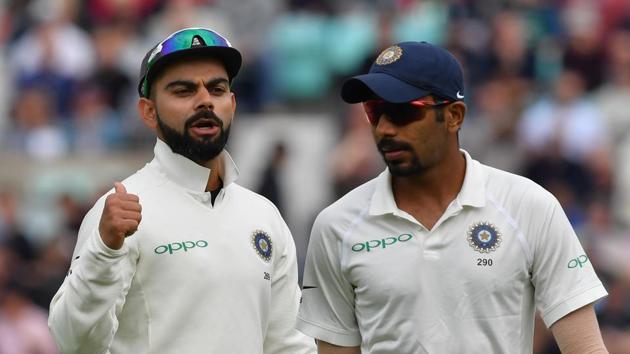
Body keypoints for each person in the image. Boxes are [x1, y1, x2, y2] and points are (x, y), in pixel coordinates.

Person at [296, 41, 609, 353]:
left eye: (402, 111)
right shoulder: (336, 226)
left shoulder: (529, 206)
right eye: (374, 112)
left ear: (454, 116)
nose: (385, 129)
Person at [48, 27, 316, 354]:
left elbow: (288, 345)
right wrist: (104, 249)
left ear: (231, 103)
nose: (205, 100)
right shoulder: (120, 210)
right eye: (183, 90)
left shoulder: (263, 215)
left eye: (217, 89)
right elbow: (73, 343)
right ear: (148, 112)